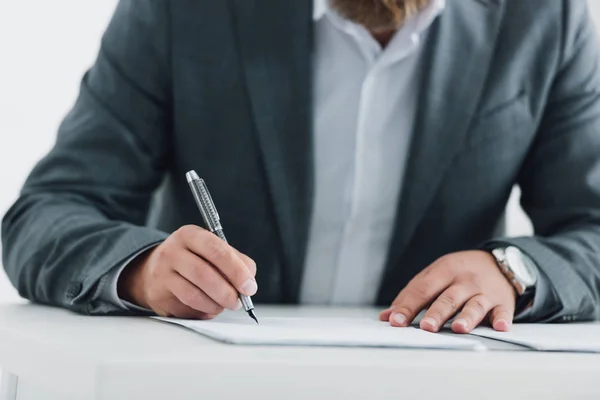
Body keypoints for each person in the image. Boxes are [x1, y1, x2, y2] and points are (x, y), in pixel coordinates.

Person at [3, 0, 600, 334]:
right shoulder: (181, 12)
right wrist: (142, 272)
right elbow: (44, 215)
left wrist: (513, 272)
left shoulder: (548, 19)